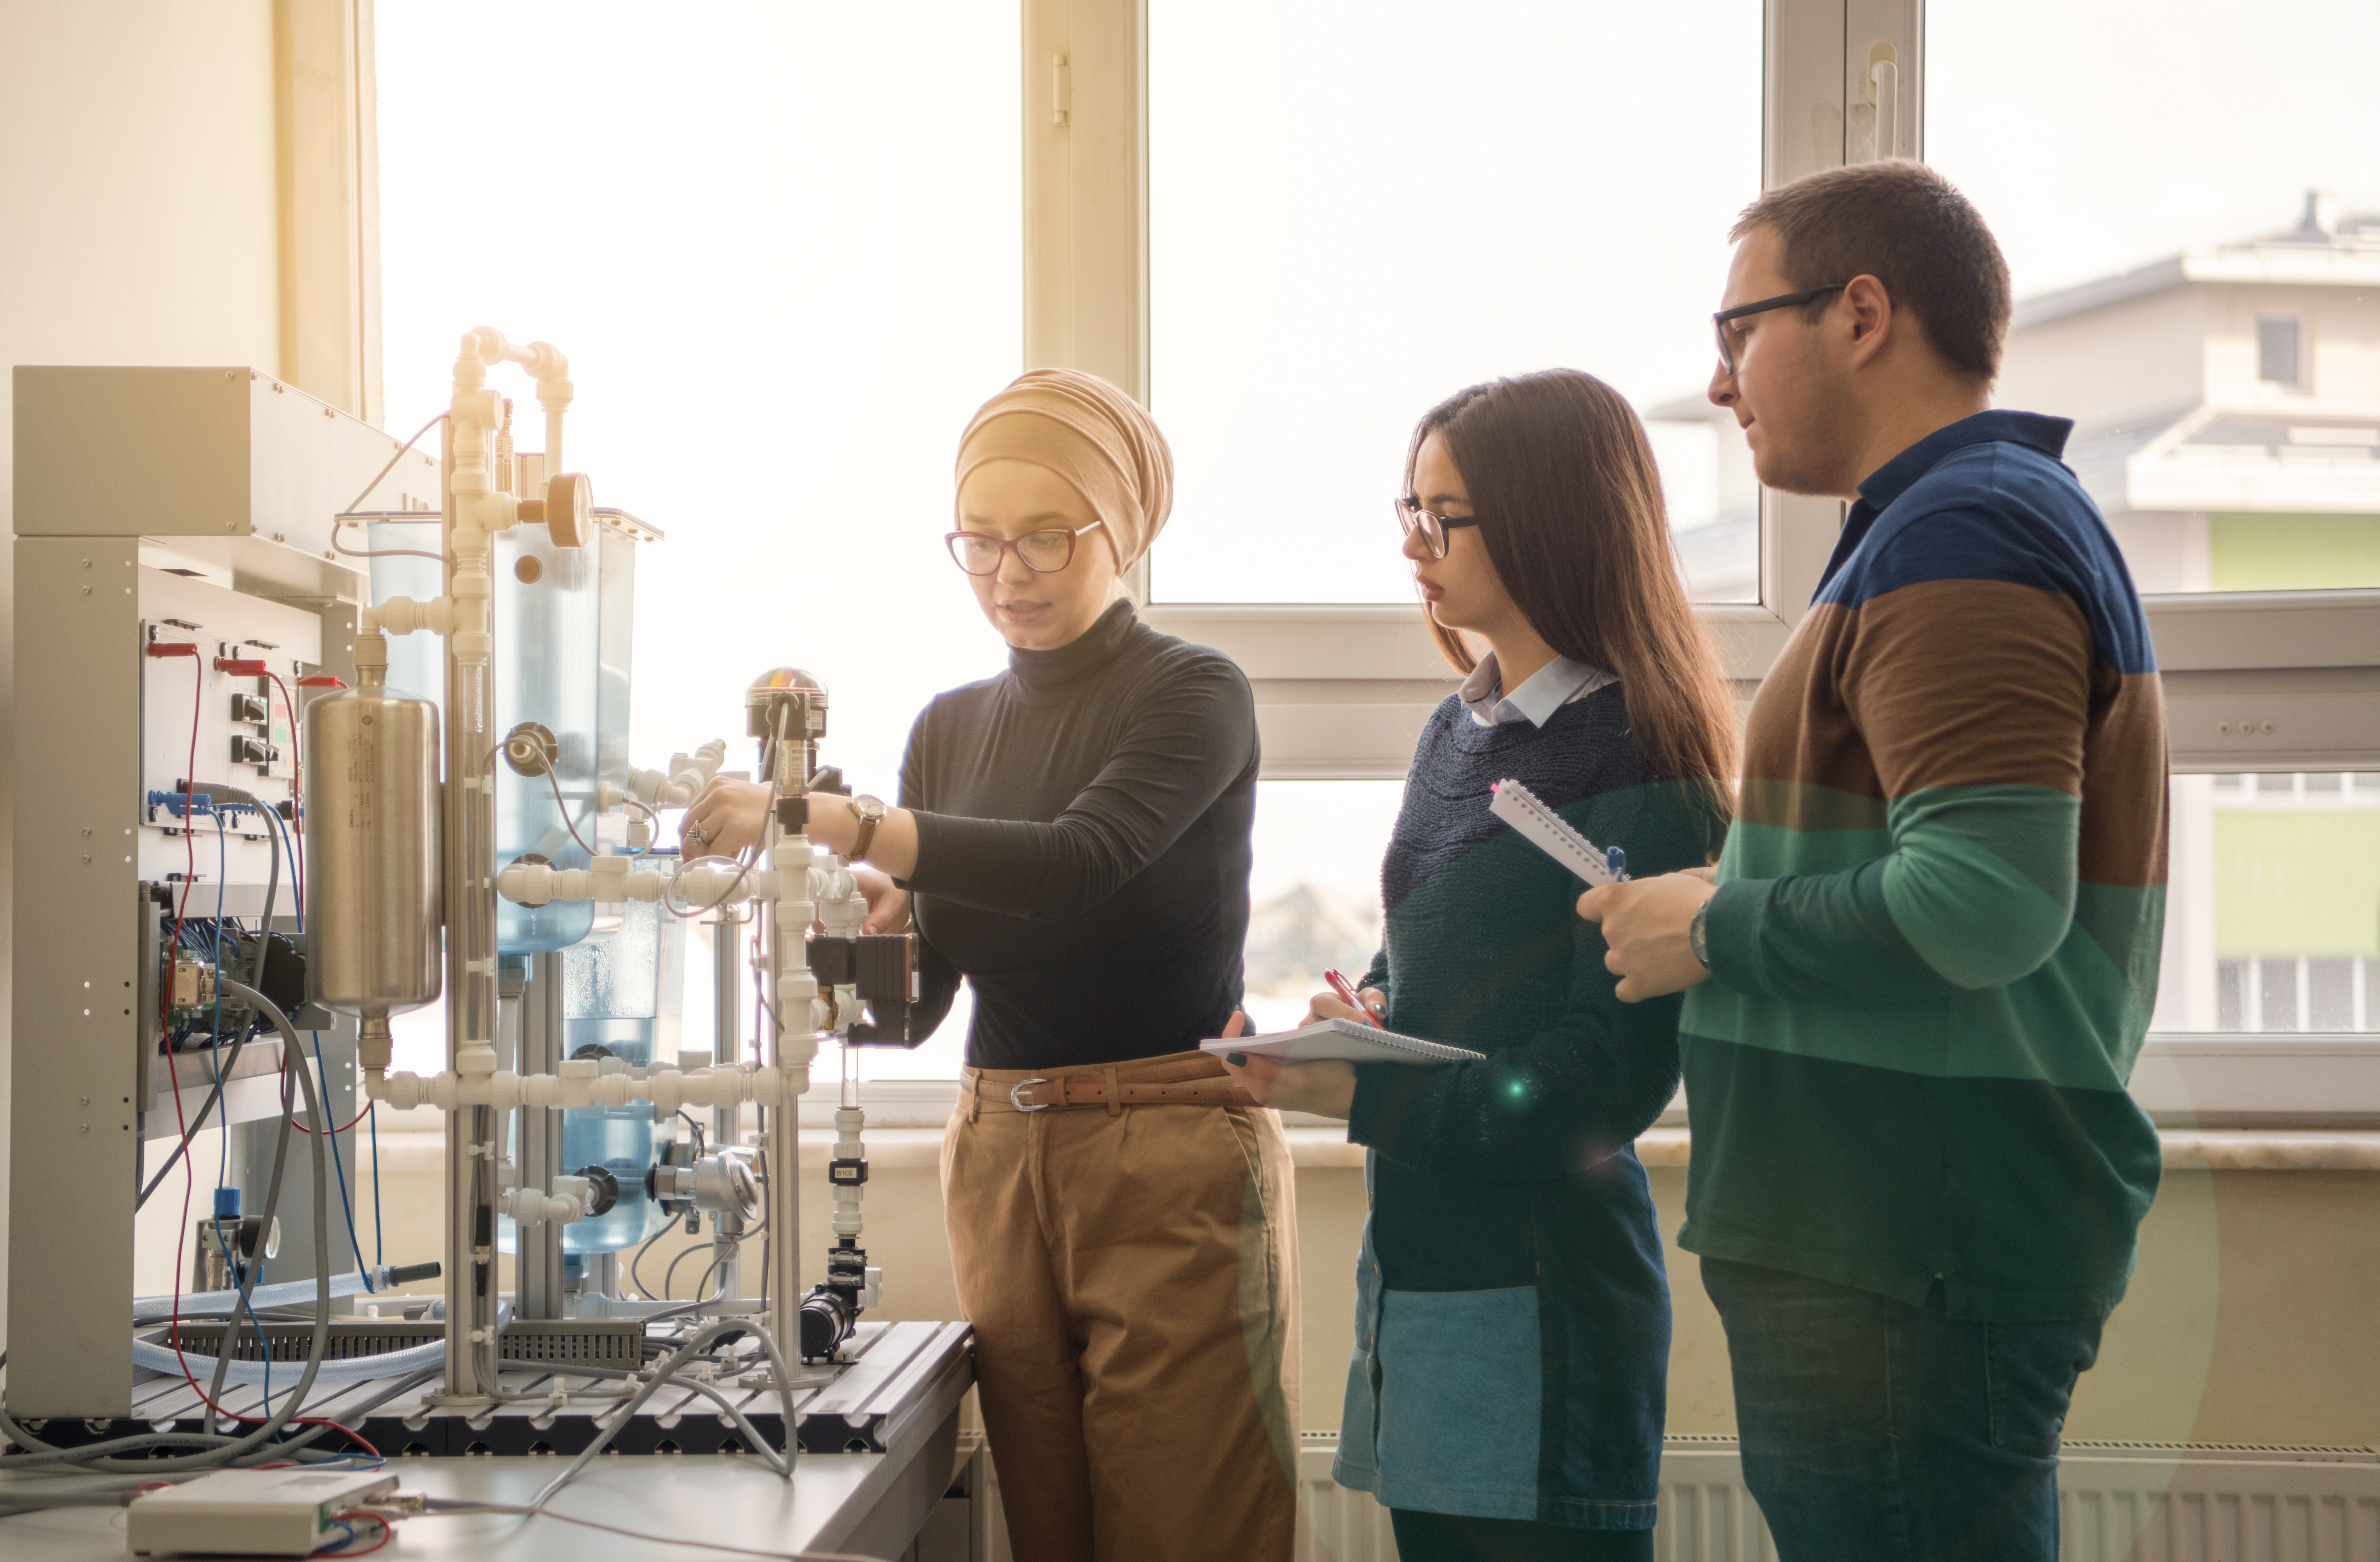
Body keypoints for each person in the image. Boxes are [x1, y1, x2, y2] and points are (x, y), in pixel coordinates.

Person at [1580, 161, 2169, 1562]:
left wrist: (1712, 926)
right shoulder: (1940, 527)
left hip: (1908, 1249)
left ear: (1860, 313)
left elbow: (1986, 903)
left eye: (1738, 333)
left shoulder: (1969, 530)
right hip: (1894, 1241)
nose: (1721, 384)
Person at [681, 368, 1297, 1562]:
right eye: (979, 542)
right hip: (1002, 1155)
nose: (1007, 572)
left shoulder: (1192, 691)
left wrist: (825, 818)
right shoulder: (950, 727)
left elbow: (1078, 861)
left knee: (1190, 1532)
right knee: (1047, 1530)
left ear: (1121, 532)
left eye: (1045, 538)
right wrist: (830, 941)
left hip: (1164, 1149)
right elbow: (919, 1007)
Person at [1223, 369, 1738, 1561]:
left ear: (1554, 519)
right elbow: (1439, 957)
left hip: (1546, 1292)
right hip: (1429, 1262)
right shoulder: (1460, 728)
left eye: (1443, 516)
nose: (1416, 544)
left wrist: (1368, 1091)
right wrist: (1367, 1015)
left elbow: (1601, 1079)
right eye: (1409, 509)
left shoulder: (1641, 749)